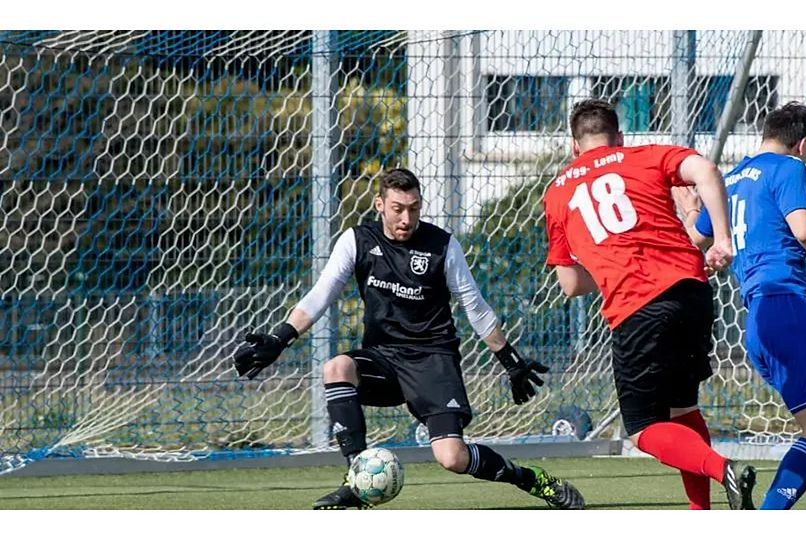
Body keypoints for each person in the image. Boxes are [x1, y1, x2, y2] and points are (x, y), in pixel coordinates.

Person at [233, 167, 584, 510]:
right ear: (379, 205)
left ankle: (530, 479)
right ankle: (357, 479)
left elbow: (474, 306)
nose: (406, 218)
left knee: (452, 458)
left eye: (414, 209)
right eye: (398, 209)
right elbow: (321, 294)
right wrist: (279, 338)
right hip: (384, 358)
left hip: (433, 360)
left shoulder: (442, 245)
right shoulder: (357, 240)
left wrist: (509, 361)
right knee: (337, 367)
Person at [542, 98, 757, 510]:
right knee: (683, 408)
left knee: (642, 430)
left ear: (573, 145)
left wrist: (608, 269)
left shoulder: (557, 193)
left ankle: (722, 468)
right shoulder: (647, 156)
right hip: (692, 294)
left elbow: (569, 283)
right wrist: (724, 240)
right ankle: (702, 512)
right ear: (618, 137)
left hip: (637, 310)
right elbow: (708, 171)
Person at [677, 101, 806, 510]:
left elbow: (696, 241)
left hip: (776, 315)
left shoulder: (732, 180)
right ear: (803, 143)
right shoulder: (788, 167)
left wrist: (690, 211)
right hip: (785, 308)